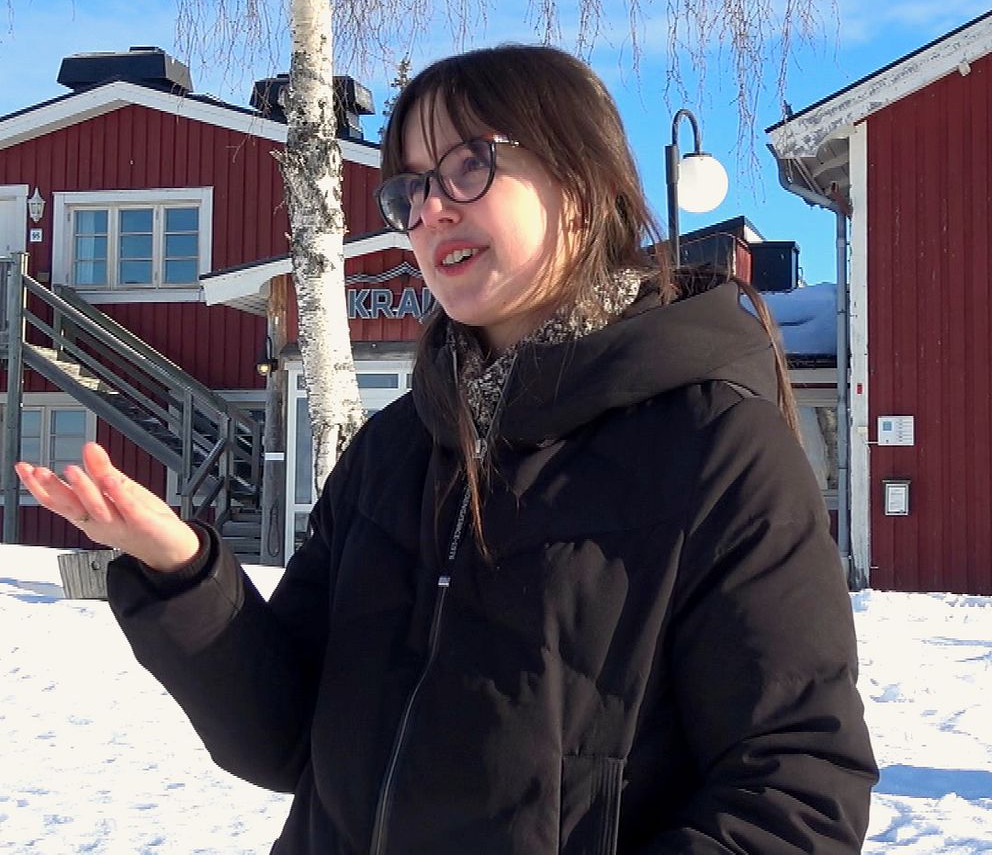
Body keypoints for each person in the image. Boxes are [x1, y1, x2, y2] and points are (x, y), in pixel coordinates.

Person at [16, 44, 877, 854]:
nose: (430, 209)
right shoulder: (394, 449)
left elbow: (796, 789)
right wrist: (182, 576)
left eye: (471, 166)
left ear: (583, 187)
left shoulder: (712, 444)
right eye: (410, 189)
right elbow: (282, 741)